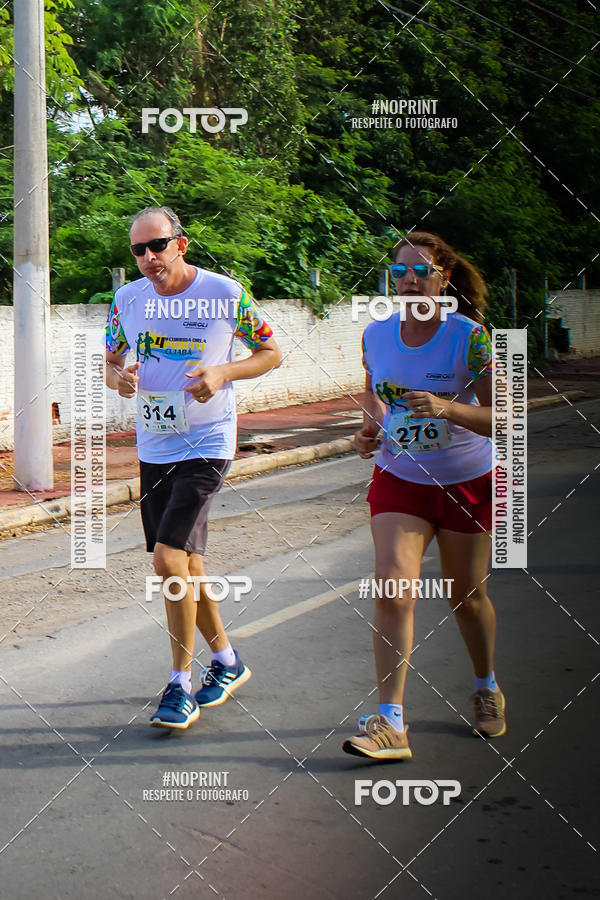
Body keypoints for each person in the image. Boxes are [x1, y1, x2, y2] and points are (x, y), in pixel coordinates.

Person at [105, 206, 282, 729]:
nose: (148, 258)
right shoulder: (125, 300)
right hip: (154, 444)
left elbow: (270, 352)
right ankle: (227, 661)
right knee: (188, 564)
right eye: (138, 250)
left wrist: (223, 371)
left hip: (207, 441)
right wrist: (118, 378)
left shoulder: (225, 293)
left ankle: (179, 682)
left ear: (181, 244)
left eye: (157, 245)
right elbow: (111, 360)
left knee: (165, 560)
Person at [342, 230, 503, 761]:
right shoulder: (377, 335)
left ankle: (485, 685)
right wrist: (369, 431)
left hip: (465, 483)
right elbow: (375, 392)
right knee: (392, 589)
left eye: (421, 272)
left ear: (444, 278)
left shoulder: (469, 338)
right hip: (399, 478)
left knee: (466, 598)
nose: (410, 281)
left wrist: (447, 408)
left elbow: (500, 418)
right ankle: (390, 723)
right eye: (401, 273)